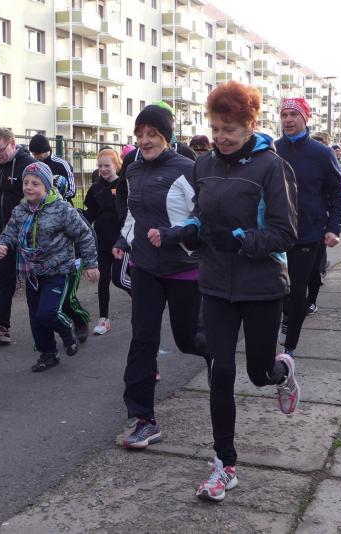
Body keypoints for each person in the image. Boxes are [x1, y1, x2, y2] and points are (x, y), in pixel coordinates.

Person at [175, 81, 299, 502]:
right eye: (215, 128)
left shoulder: (271, 167)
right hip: (215, 284)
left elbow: (285, 232)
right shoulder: (204, 165)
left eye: (229, 129)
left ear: (250, 125)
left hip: (261, 285)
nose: (221, 137)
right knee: (221, 372)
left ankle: (282, 372)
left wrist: (241, 239)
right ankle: (224, 465)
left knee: (258, 374)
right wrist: (190, 230)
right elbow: (200, 213)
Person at [113, 104, 208, 450]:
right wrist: (124, 240)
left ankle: (218, 358)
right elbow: (133, 213)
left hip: (183, 268)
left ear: (166, 136)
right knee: (143, 339)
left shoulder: (186, 168)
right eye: (139, 135)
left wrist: (175, 235)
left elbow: (203, 215)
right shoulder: (133, 169)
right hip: (146, 268)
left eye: (151, 134)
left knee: (188, 338)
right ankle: (144, 419)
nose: (145, 140)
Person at [0, 162, 99, 370]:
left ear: (47, 186)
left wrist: (91, 264)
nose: (29, 187)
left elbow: (84, 234)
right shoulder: (20, 209)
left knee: (47, 312)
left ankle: (67, 328)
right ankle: (48, 354)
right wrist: (1, 245)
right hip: (32, 272)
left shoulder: (61, 209)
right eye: (26, 182)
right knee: (35, 317)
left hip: (58, 270)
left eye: (35, 183)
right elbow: (9, 233)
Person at [275, 97, 341, 356]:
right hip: (275, 232)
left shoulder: (322, 153)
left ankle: (290, 347)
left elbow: (338, 193)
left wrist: (333, 227)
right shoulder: (272, 150)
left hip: (308, 233)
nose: (288, 120)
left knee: (296, 289)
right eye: (284, 115)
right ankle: (285, 318)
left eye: (294, 114)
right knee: (276, 289)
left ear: (305, 118)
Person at [0, 127, 37, 346]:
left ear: (13, 144)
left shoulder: (28, 165)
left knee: (41, 281)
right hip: (1, 233)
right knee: (1, 279)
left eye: (0, 150)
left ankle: (65, 318)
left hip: (28, 234)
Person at [84, 148, 128, 335]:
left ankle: (146, 301)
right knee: (103, 281)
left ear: (116, 166)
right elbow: (90, 214)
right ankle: (104, 320)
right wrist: (78, 220)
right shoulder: (95, 188)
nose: (103, 169)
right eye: (100, 166)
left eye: (107, 166)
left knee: (120, 279)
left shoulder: (123, 186)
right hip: (101, 242)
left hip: (121, 242)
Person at [53, 175, 93, 342]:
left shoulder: (71, 213)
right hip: (53, 263)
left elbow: (89, 236)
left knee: (68, 298)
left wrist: (91, 263)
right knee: (55, 300)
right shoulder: (39, 212)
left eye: (56, 190)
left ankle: (81, 321)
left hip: (74, 261)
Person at [28, 133, 76, 203]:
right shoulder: (35, 165)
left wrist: (51, 198)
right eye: (33, 154)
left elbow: (72, 191)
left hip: (61, 207)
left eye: (37, 154)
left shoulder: (62, 165)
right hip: (40, 207)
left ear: (45, 150)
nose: (35, 157)